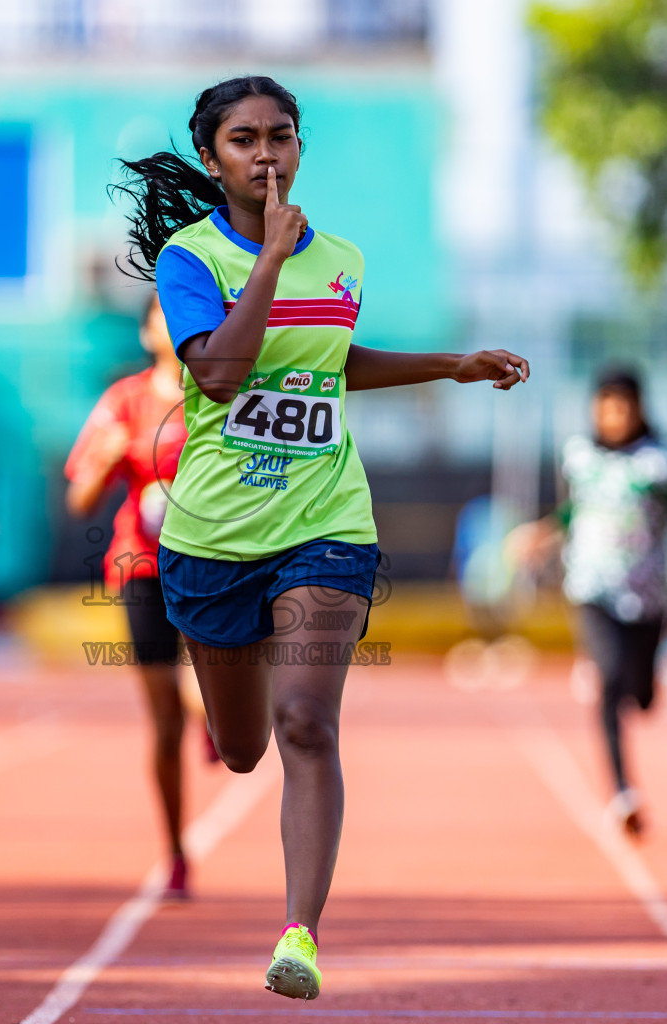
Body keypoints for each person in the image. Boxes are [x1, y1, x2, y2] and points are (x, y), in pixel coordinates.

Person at [115, 75, 530, 1000]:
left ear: (300, 148)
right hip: (214, 536)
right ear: (212, 156)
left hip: (326, 521)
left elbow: (332, 362)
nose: (266, 155)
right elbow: (220, 376)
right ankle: (238, 692)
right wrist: (265, 260)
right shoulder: (190, 261)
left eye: (281, 136)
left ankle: (299, 934)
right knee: (241, 749)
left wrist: (450, 366)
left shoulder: (340, 258)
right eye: (243, 140)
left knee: (307, 722)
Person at [509, 368, 667, 838]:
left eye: (623, 405)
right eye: (605, 405)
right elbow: (576, 508)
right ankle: (623, 790)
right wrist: (544, 532)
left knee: (640, 697)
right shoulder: (580, 457)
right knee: (607, 680)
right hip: (593, 588)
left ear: (640, 409)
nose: (613, 415)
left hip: (649, 593)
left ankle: (638, 679)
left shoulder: (664, 463)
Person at [65, 294, 193, 897]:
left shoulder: (223, 395)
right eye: (162, 313)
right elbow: (80, 498)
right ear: (146, 332)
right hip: (142, 566)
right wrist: (105, 462)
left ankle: (219, 717)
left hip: (212, 566)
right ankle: (174, 850)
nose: (174, 322)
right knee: (165, 718)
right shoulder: (125, 401)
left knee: (207, 691)